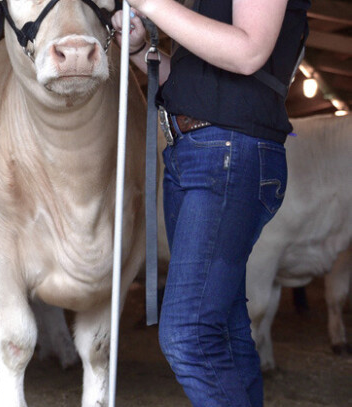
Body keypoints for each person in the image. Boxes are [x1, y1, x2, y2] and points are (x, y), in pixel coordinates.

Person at [111, 1, 310, 406]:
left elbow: (248, 52)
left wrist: (153, 5)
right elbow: (194, 85)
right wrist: (139, 52)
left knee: (188, 334)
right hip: (194, 152)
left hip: (227, 152)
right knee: (224, 330)